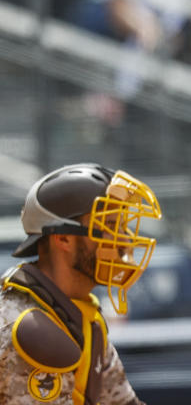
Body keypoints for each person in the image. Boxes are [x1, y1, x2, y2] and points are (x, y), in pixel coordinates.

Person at [0, 163, 163, 404]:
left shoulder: (83, 318)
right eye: (109, 226)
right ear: (64, 238)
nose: (124, 239)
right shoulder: (26, 329)